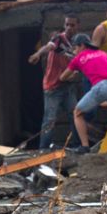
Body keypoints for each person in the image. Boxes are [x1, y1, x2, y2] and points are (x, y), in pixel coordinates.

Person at [59, 33, 107, 151]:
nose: (74, 50)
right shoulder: (103, 54)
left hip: (101, 87)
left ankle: (84, 146)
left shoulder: (78, 58)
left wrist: (74, 73)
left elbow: (62, 78)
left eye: (75, 47)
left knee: (77, 113)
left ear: (82, 45)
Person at [27, 14, 81, 149]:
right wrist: (38, 54)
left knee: (75, 115)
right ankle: (43, 150)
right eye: (67, 24)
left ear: (77, 26)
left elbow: (79, 66)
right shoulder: (58, 39)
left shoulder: (78, 45)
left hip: (68, 87)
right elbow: (49, 46)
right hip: (52, 87)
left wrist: (74, 75)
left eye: (72, 25)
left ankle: (77, 146)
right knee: (49, 120)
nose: (69, 27)